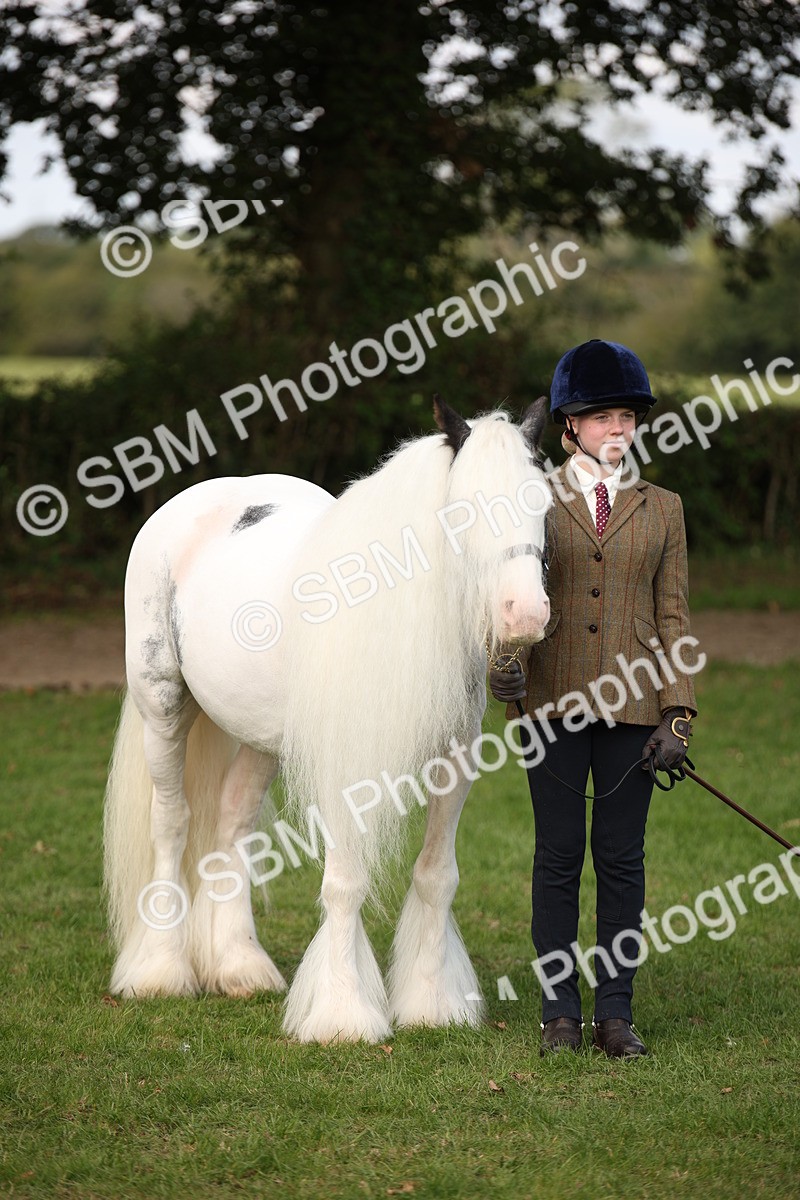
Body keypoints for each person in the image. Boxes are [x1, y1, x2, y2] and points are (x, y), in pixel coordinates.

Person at [490, 339, 698, 1059]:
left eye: (627, 417)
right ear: (570, 426)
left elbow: (672, 617)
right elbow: (503, 593)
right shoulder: (531, 501)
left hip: (635, 709)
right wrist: (500, 666)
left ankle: (615, 1013)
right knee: (556, 858)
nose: (618, 429)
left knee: (620, 858)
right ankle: (557, 1012)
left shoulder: (663, 509)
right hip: (548, 703)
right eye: (602, 417)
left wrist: (678, 714)